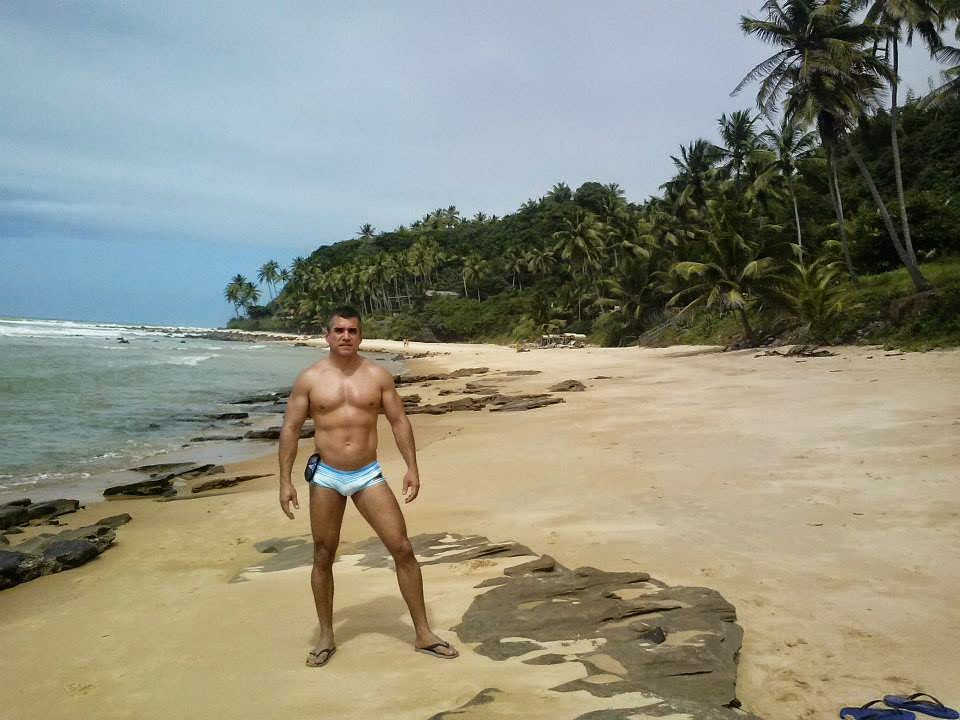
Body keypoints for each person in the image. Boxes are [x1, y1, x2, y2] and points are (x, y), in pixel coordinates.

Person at [277, 307, 458, 667]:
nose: (346, 336)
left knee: (402, 548)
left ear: (360, 336)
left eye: (352, 331)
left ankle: (423, 632)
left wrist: (412, 467)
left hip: (367, 473)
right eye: (339, 330)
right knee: (323, 553)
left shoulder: (377, 376)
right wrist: (284, 481)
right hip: (326, 476)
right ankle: (326, 636)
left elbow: (399, 420)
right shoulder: (310, 379)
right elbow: (291, 429)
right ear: (327, 336)